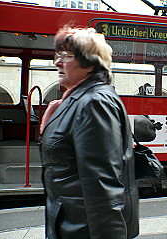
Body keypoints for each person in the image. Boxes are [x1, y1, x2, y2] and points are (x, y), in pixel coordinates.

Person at [40, 26, 139, 239]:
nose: (57, 62)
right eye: (58, 54)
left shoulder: (94, 103)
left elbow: (103, 188)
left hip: (82, 230)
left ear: (89, 63)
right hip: (71, 225)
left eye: (66, 55)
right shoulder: (75, 101)